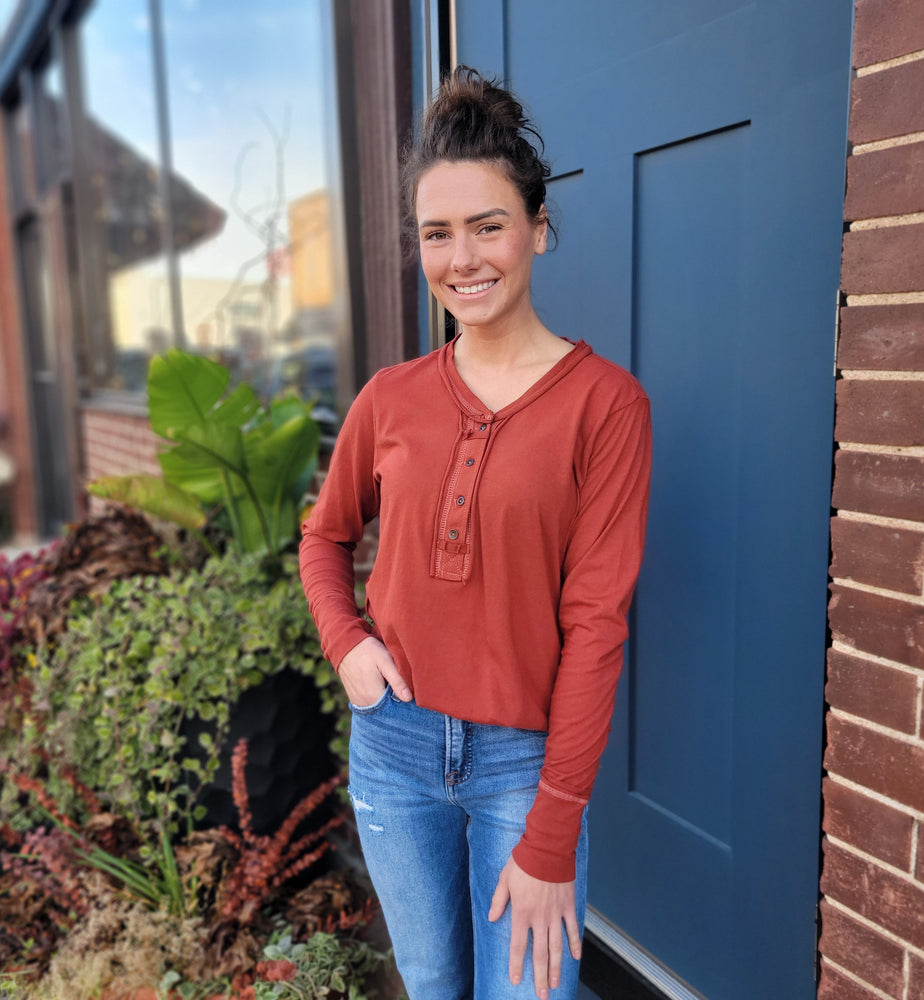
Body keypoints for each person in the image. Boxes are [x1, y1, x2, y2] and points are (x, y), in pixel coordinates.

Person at [299, 65, 651, 1000]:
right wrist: (348, 648)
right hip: (394, 748)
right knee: (429, 981)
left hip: (523, 769)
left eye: (488, 225)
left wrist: (552, 829)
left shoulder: (606, 406)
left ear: (537, 226)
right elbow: (323, 537)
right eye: (437, 233)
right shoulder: (391, 398)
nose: (463, 258)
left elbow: (599, 625)